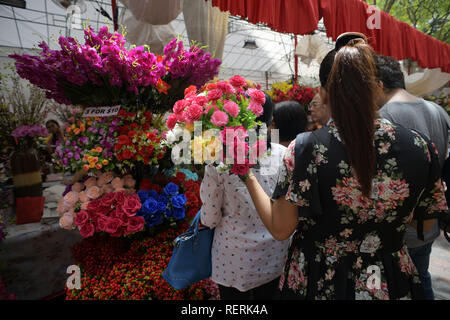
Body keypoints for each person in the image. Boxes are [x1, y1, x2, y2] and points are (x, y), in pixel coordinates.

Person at [241, 40, 448, 299]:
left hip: (320, 280)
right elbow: (426, 221)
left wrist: (246, 174)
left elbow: (281, 228)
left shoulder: (306, 148)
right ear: (378, 89)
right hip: (388, 279)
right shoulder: (422, 146)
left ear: (324, 93)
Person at [200, 93, 290, 300]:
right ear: (270, 123)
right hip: (275, 256)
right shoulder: (285, 155)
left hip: (233, 261)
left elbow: (210, 218)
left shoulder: (218, 163)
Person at [375, 54, 450, 299]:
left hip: (400, 227)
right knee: (423, 277)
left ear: (380, 84)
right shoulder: (437, 110)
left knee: (397, 286)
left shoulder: (384, 117)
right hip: (430, 223)